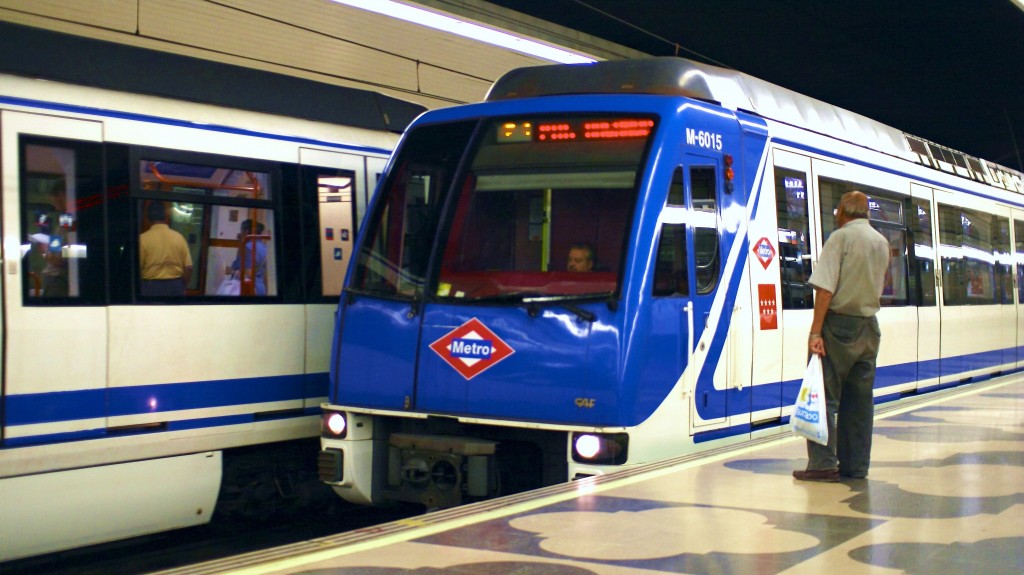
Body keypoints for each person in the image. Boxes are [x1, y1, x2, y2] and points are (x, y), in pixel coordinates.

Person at [794, 191, 889, 482]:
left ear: (842, 211)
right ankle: (856, 466)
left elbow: (825, 289)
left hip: (839, 327)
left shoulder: (840, 238)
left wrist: (815, 331)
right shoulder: (882, 242)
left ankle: (823, 463)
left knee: (823, 396)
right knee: (860, 403)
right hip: (869, 327)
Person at [139, 201, 193, 296]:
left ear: (147, 218)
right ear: (166, 217)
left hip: (150, 287)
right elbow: (189, 268)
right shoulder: (179, 237)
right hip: (175, 286)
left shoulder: (142, 239)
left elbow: (137, 268)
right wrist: (182, 287)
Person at [231, 218, 267, 296]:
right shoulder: (262, 246)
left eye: (241, 231)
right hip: (259, 287)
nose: (240, 233)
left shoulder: (247, 247)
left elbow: (238, 267)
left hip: (247, 288)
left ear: (246, 232)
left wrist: (241, 243)